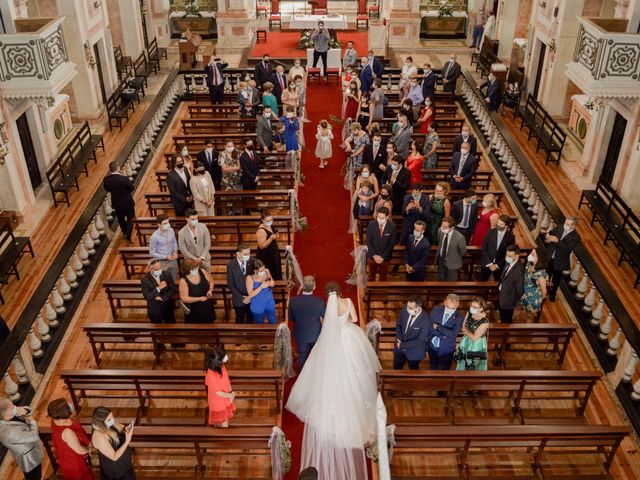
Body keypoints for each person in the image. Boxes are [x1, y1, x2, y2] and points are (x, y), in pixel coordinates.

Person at [286, 282, 381, 479]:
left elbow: (326, 327)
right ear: (338, 291)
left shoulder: (327, 306)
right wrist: (344, 322)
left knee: (329, 370)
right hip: (350, 337)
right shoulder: (347, 301)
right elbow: (355, 319)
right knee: (358, 371)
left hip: (334, 340)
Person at [47, 398, 93, 480]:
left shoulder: (55, 418)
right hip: (75, 463)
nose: (70, 405)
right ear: (64, 414)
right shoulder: (67, 432)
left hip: (66, 458)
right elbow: (80, 450)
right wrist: (89, 448)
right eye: (68, 405)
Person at [0, 399, 43, 480]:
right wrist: (31, 420)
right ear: (7, 416)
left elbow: (24, 410)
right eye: (13, 408)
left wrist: (25, 411)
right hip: (30, 459)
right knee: (35, 477)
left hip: (30, 446)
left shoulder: (6, 413)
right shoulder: (9, 433)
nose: (16, 409)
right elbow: (34, 436)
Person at [289, 275, 325, 370]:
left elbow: (291, 318)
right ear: (314, 287)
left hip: (300, 334)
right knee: (316, 355)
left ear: (302, 287)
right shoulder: (320, 302)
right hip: (315, 334)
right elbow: (324, 318)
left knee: (302, 356)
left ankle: (303, 375)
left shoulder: (293, 301)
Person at [544, 216, 581, 302]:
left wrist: (557, 241)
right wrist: (548, 235)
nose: (565, 225)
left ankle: (552, 294)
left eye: (568, 224)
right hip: (550, 256)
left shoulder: (575, 237)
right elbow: (551, 232)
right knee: (546, 276)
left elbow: (567, 249)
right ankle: (544, 291)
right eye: (565, 223)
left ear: (573, 226)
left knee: (556, 280)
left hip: (560, 261)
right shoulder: (560, 227)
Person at [91, 406, 134, 480]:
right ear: (101, 423)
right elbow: (114, 457)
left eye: (112, 416)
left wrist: (126, 428)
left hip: (125, 466)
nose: (113, 420)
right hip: (115, 473)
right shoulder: (99, 436)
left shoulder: (110, 423)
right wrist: (127, 442)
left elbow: (120, 426)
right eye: (109, 419)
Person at [427, 294, 463, 370]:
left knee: (445, 369)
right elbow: (429, 327)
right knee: (433, 368)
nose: (450, 310)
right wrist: (443, 336)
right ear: (445, 302)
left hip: (446, 349)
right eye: (448, 307)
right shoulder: (436, 309)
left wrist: (438, 327)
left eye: (453, 308)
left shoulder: (459, 316)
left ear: (458, 305)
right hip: (432, 345)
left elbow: (453, 334)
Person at [393, 295, 430, 370]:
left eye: (410, 308)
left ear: (419, 308)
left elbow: (420, 340)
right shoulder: (405, 310)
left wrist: (403, 345)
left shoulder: (426, 320)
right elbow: (399, 325)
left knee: (413, 371)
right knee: (397, 368)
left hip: (414, 351)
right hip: (399, 346)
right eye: (407, 306)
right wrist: (399, 339)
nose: (407, 309)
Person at [103, 161, 135, 243]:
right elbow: (131, 188)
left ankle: (125, 232)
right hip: (127, 202)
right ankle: (128, 233)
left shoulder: (106, 180)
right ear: (118, 168)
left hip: (117, 203)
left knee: (121, 219)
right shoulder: (124, 179)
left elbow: (107, 188)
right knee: (130, 218)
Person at [205, 345, 236, 426]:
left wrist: (231, 391)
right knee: (222, 420)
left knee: (225, 420)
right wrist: (230, 395)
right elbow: (218, 393)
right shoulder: (210, 375)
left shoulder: (221, 366)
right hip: (218, 401)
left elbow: (227, 379)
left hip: (226, 396)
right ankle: (223, 437)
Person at [456, 297, 489, 371]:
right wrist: (465, 330)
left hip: (476, 344)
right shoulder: (470, 312)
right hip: (466, 340)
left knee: (472, 363)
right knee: (463, 360)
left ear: (481, 309)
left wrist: (466, 331)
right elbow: (463, 325)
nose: (472, 308)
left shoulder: (484, 321)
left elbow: (474, 338)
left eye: (475, 307)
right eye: (471, 306)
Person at [179, 258, 215, 323]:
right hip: (194, 309)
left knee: (209, 326)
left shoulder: (202, 272)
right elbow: (184, 298)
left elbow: (211, 281)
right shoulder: (183, 281)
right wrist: (199, 299)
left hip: (207, 306)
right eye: (193, 268)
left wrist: (210, 290)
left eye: (196, 267)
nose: (196, 269)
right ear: (187, 270)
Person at [479, 214, 515, 281]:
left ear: (506, 226)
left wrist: (497, 266)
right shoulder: (490, 232)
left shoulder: (510, 237)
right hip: (487, 262)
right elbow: (484, 249)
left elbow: (510, 254)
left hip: (500, 265)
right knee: (483, 280)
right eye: (498, 223)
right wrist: (489, 264)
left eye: (501, 224)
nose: (498, 225)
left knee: (498, 282)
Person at [141, 258, 176, 324]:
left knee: (171, 327)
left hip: (167, 305)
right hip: (154, 308)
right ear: (150, 269)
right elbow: (147, 296)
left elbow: (173, 289)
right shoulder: (145, 280)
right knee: (156, 329)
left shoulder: (166, 274)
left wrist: (162, 297)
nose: (159, 270)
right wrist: (158, 288)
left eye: (160, 268)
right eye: (156, 269)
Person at [227, 243, 255, 324]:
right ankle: (240, 335)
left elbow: (256, 279)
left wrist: (249, 296)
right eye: (245, 254)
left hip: (251, 297)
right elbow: (231, 285)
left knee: (250, 318)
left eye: (249, 253)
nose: (248, 256)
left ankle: (249, 334)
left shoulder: (252, 261)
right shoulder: (231, 265)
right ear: (238, 254)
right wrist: (242, 298)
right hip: (238, 299)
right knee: (239, 318)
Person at [243, 258, 277, 324]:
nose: (263, 271)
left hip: (269, 300)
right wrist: (261, 287)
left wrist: (271, 283)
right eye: (261, 270)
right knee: (259, 323)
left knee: (273, 320)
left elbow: (273, 284)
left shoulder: (266, 271)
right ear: (255, 270)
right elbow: (250, 294)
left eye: (264, 269)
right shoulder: (250, 278)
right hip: (257, 303)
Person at [366, 206, 396, 281]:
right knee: (371, 276)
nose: (379, 220)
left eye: (382, 218)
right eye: (378, 217)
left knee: (383, 277)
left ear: (387, 217)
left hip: (385, 258)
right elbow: (368, 242)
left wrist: (382, 257)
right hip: (372, 256)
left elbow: (391, 244)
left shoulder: (392, 226)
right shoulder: (371, 224)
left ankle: (382, 291)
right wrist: (375, 255)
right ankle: (371, 291)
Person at [498, 244, 525, 324]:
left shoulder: (518, 271)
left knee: (506, 319)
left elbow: (520, 290)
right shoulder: (509, 262)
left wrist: (515, 302)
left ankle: (505, 331)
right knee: (502, 315)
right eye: (507, 255)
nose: (507, 257)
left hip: (509, 300)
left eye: (510, 256)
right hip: (503, 294)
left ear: (517, 256)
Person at [521, 248, 550, 318]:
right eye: (531, 253)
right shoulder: (529, 264)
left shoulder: (540, 274)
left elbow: (544, 292)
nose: (530, 255)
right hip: (524, 294)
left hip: (533, 300)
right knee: (525, 313)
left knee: (529, 317)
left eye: (533, 255)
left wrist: (536, 300)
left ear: (539, 258)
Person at [149, 214, 179, 280]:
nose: (168, 224)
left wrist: (175, 251)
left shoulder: (171, 230)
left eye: (168, 222)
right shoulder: (154, 237)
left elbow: (174, 242)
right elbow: (152, 252)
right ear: (159, 224)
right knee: (164, 281)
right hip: (162, 263)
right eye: (165, 223)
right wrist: (165, 257)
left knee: (174, 279)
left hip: (173, 260)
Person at [436, 216, 467, 281]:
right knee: (440, 279)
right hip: (441, 260)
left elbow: (463, 252)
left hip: (453, 262)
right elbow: (440, 242)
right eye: (442, 225)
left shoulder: (460, 238)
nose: (442, 228)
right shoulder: (440, 231)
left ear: (452, 227)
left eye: (445, 227)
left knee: (451, 282)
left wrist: (454, 256)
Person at [256, 210, 282, 280]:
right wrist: (271, 239)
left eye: (271, 219)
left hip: (273, 253)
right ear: (262, 220)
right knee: (270, 273)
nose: (270, 222)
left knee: (276, 271)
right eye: (268, 221)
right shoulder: (260, 231)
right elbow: (261, 246)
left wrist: (275, 236)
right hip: (266, 256)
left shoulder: (269, 225)